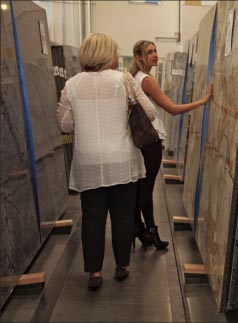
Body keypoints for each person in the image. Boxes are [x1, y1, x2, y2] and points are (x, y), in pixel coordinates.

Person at [56, 33, 157, 290]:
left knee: (92, 216)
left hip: (88, 162)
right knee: (122, 215)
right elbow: (151, 112)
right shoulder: (123, 80)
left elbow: (65, 125)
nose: (115, 56)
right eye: (114, 52)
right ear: (106, 54)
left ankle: (95, 272)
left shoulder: (72, 84)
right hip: (122, 161)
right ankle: (122, 266)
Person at [129, 40, 213, 250]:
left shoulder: (135, 78)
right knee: (146, 188)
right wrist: (202, 102)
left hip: (141, 141)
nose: (155, 55)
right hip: (151, 141)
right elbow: (172, 109)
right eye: (149, 52)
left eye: (155, 50)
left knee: (141, 187)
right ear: (139, 57)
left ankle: (141, 229)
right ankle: (150, 231)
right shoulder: (147, 80)